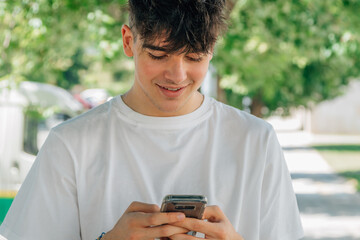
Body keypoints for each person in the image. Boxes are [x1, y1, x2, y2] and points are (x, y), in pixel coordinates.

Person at [0, 0, 304, 239]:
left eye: (195, 57)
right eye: (159, 55)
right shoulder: (70, 144)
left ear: (212, 49)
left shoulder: (256, 140)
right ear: (129, 41)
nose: (177, 76)